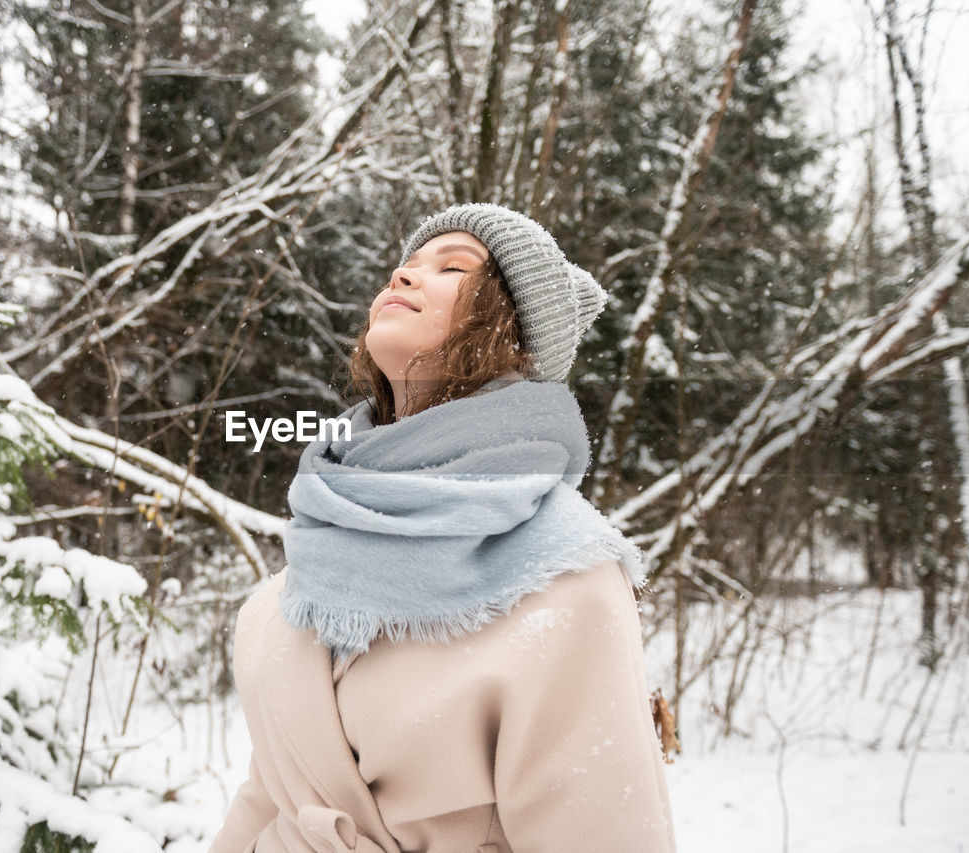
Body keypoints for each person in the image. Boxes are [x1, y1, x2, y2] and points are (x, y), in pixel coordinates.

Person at [208, 203, 677, 853]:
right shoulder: (316, 554)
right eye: (404, 265)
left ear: (515, 335)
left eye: (453, 266)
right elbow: (271, 797)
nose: (403, 274)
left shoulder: (563, 579)